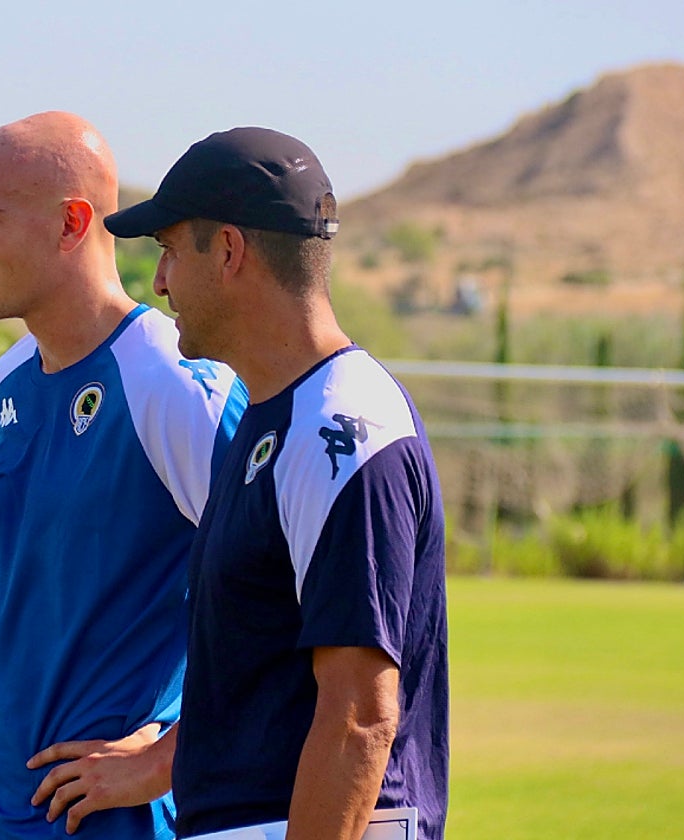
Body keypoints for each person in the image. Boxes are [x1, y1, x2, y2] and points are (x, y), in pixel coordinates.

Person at [104, 128, 449, 840]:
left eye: (169, 251)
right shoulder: (275, 416)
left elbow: (359, 717)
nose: (160, 281)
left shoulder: (341, 429)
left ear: (228, 251)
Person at [0, 112, 247, 839]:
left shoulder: (173, 383)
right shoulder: (2, 384)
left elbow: (290, 601)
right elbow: (16, 587)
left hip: (113, 820)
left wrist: (168, 753)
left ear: (73, 223)